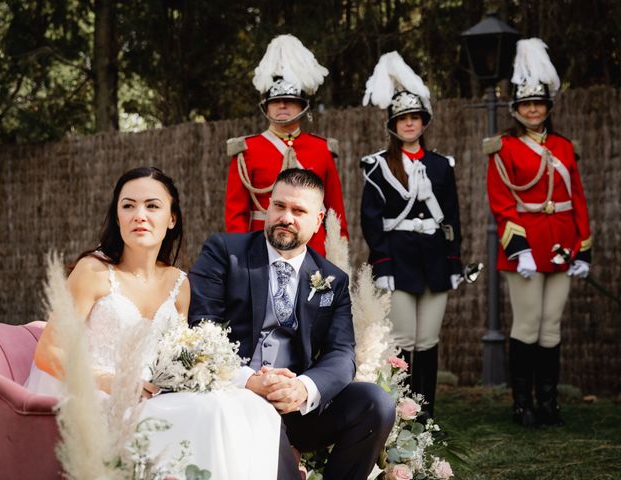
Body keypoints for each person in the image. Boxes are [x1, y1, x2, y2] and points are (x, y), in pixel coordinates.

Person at [26, 167, 281, 479]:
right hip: (100, 397)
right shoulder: (92, 271)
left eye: (152, 206)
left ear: (171, 218)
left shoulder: (179, 283)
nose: (139, 215)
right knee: (209, 412)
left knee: (251, 406)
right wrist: (112, 382)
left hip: (154, 394)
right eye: (128, 206)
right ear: (117, 216)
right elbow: (48, 351)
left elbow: (178, 355)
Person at [190, 168, 396, 480]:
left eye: (299, 211)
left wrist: (303, 388)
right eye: (279, 206)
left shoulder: (331, 279)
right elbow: (202, 326)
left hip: (296, 407)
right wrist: (247, 380)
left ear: (318, 219)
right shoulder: (225, 253)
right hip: (234, 397)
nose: (286, 217)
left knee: (375, 403)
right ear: (268, 207)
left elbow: (342, 353)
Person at [485, 38, 592, 427]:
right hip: (525, 246)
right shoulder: (504, 148)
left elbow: (577, 198)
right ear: (516, 109)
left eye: (539, 103)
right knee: (527, 325)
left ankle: (549, 403)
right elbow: (501, 202)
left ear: (547, 108)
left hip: (563, 243)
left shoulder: (565, 147)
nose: (533, 109)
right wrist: (520, 249)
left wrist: (584, 248)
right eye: (526, 104)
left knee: (552, 325)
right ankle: (522, 403)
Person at [359, 52, 462, 419]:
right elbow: (371, 220)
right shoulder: (378, 166)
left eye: (415, 117)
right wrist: (382, 263)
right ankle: (401, 415)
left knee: (427, 341)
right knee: (400, 341)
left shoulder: (440, 165)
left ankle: (426, 415)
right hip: (398, 261)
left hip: (435, 260)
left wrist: (454, 262)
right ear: (392, 124)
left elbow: (451, 217)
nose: (409, 124)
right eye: (402, 118)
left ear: (424, 122)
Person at [225, 34, 348, 256]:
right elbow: (236, 214)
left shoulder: (321, 149)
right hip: (261, 247)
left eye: (290, 101)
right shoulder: (247, 150)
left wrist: (338, 253)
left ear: (302, 106)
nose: (282, 105)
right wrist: (240, 255)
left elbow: (335, 210)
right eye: (275, 101)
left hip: (313, 249)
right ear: (266, 106)